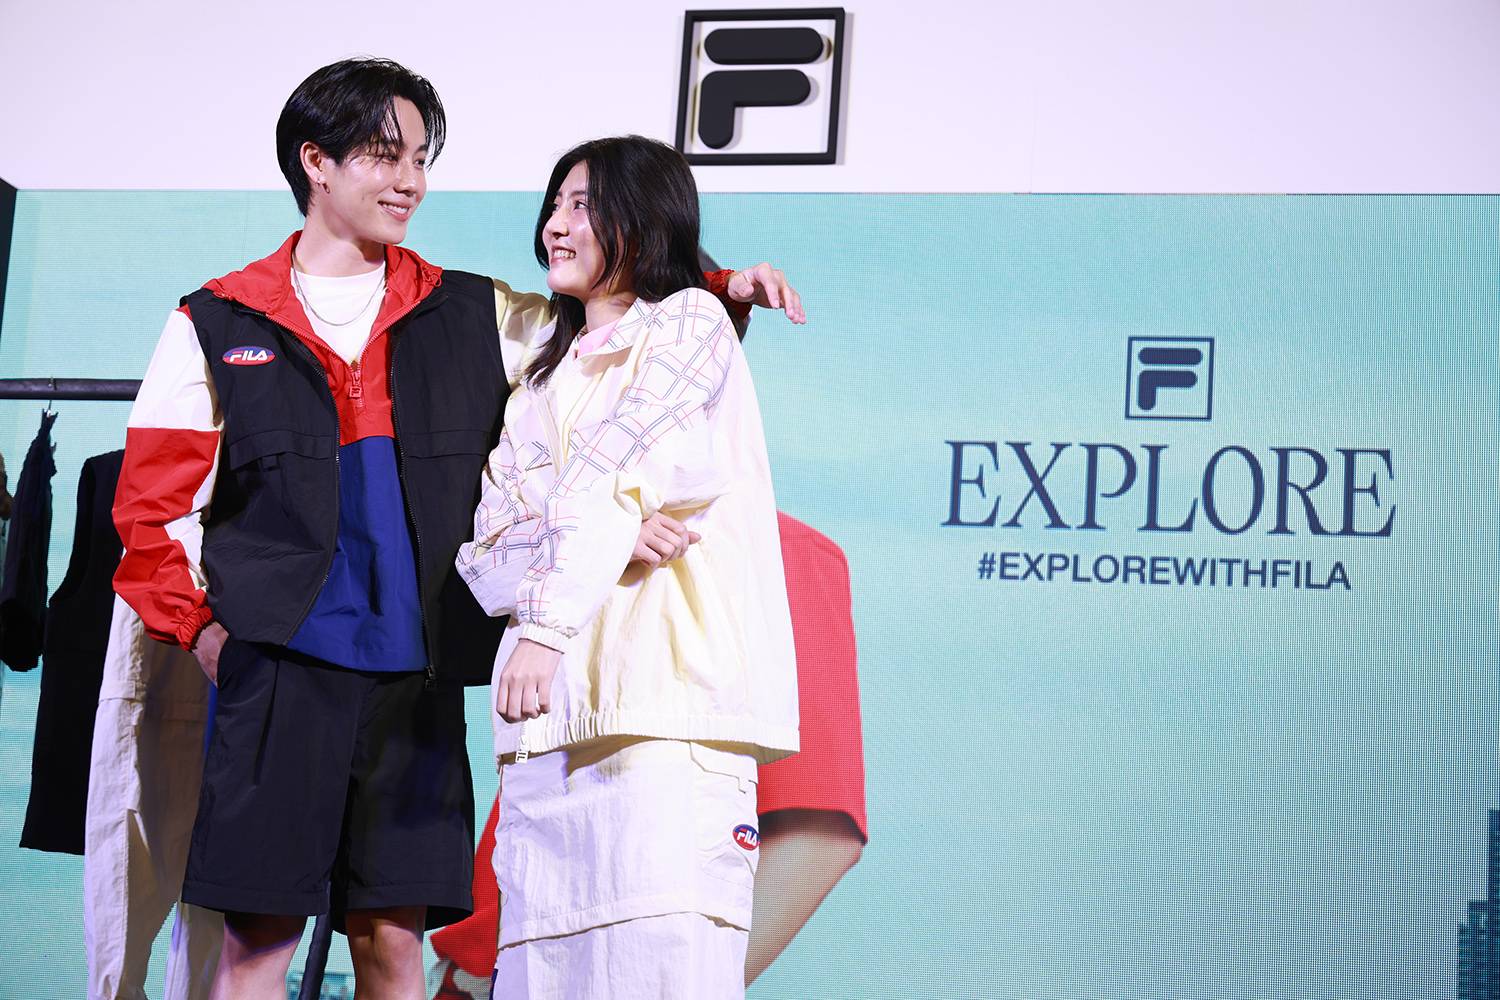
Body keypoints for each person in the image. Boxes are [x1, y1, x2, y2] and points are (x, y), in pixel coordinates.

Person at [110, 59, 802, 1000]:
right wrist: (207, 636)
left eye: (421, 160)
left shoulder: (476, 309)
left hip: (417, 682)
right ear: (315, 162)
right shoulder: (215, 318)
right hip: (279, 672)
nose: (410, 181)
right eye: (385, 156)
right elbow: (150, 511)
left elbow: (616, 328)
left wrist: (716, 285)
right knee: (256, 943)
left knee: (393, 941)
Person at [455, 135, 799, 999]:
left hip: (664, 722)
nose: (556, 225)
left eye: (583, 205)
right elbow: (487, 551)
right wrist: (608, 533)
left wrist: (545, 622)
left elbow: (620, 467)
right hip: (545, 738)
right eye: (555, 204)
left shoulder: (689, 324)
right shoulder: (538, 381)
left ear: (642, 223)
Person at [429, 512, 866, 999]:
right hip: (493, 959)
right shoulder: (573, 523)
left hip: (562, 967)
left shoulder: (772, 543)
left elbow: (815, 835)